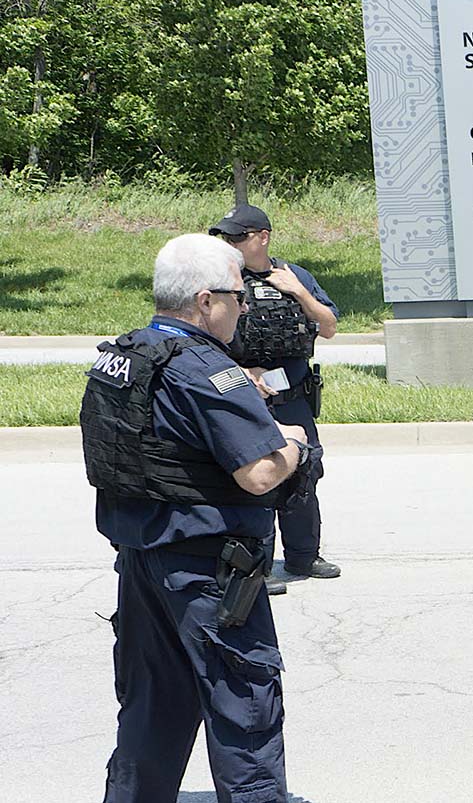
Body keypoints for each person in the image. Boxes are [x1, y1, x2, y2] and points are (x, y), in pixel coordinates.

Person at [82, 234, 317, 803]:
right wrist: (294, 444)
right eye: (239, 295)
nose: (246, 305)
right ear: (207, 300)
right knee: (244, 709)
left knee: (152, 709)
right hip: (211, 572)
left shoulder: (125, 355)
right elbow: (259, 473)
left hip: (142, 561)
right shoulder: (205, 368)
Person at [209, 203, 340, 589]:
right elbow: (205, 339)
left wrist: (299, 292)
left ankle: (303, 557)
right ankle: (257, 568)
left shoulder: (294, 275)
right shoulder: (223, 281)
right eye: (226, 238)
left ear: (262, 237)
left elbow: (329, 326)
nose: (230, 244)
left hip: (294, 397)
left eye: (238, 236)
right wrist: (244, 374)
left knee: (303, 474)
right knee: (256, 480)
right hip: (245, 396)